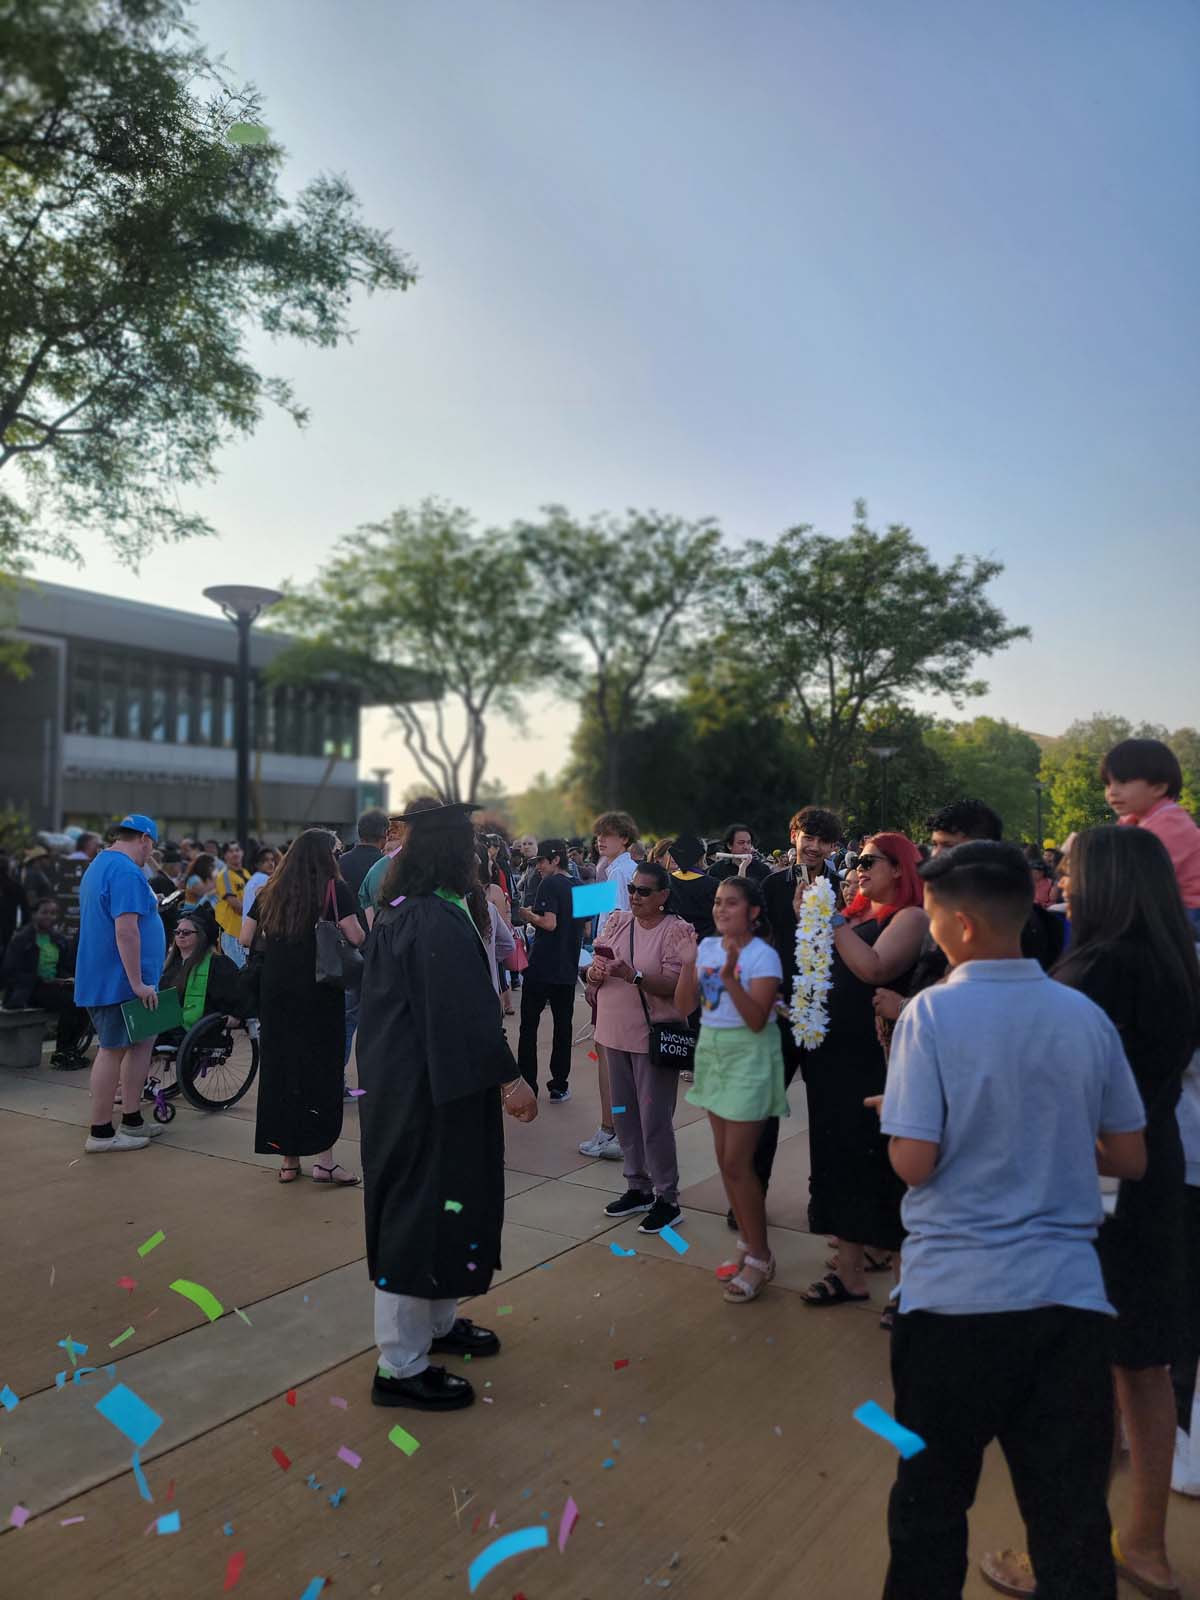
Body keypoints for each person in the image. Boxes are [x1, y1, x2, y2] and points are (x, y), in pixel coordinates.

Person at [878, 841, 1148, 1600]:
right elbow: (1127, 1155)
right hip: (1067, 1305)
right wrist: (1045, 1125)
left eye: (931, 918)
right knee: (1070, 1524)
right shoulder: (1082, 1014)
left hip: (953, 1303)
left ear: (961, 925)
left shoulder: (931, 1012)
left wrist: (900, 1122)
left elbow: (916, 1162)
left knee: (929, 1513)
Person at [981, 827, 1200, 1600]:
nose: (1059, 881)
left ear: (1104, 880)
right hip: (1153, 1165)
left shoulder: (1098, 968)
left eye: (1069, 870)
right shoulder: (1173, 961)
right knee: (1140, 1365)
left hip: (1091, 1176)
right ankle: (1144, 1543)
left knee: (1076, 1384)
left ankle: (1063, 1554)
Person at [357, 801, 538, 1412]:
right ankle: (399, 1365)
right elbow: (463, 1015)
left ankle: (437, 1325)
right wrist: (511, 1080)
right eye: (469, 850)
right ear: (448, 855)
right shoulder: (430, 918)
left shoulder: (408, 909)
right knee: (418, 1214)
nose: (477, 859)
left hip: (428, 1088)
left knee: (444, 1206)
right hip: (424, 1095)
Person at [801, 833, 927, 1314]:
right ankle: (848, 1274)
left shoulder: (909, 917)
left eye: (870, 860)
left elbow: (874, 968)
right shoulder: (857, 915)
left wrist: (831, 920)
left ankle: (904, 1289)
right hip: (835, 1053)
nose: (859, 866)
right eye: (859, 860)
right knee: (839, 1162)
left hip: (876, 1058)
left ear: (900, 868)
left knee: (882, 1168)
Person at [674, 876, 786, 1303]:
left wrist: (728, 976)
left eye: (732, 903)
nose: (721, 910)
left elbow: (757, 1020)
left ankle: (760, 1257)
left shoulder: (763, 957)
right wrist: (688, 965)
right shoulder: (706, 947)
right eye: (718, 903)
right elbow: (685, 1007)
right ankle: (748, 1246)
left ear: (753, 912)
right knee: (726, 1162)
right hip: (713, 1053)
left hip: (750, 1058)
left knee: (739, 1162)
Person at [240, 828, 365, 1185]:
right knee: (320, 1074)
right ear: (326, 856)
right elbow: (356, 936)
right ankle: (324, 1161)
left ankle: (288, 1159)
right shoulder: (332, 889)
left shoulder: (269, 892)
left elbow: (246, 937)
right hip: (318, 993)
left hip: (276, 995)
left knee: (282, 1073)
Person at [585, 861, 693, 1235]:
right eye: (632, 889)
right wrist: (595, 974)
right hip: (613, 1034)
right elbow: (597, 967)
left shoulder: (675, 931)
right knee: (625, 1117)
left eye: (644, 891)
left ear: (663, 896)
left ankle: (667, 1197)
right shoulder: (617, 922)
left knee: (654, 1121)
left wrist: (632, 975)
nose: (635, 897)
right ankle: (637, 1186)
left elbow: (675, 985)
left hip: (650, 1039)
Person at [756, 806, 843, 1218]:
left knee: (826, 1110)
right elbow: (761, 942)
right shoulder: (771, 884)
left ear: (833, 846)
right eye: (807, 836)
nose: (814, 846)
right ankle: (752, 1196)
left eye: (823, 840)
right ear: (793, 836)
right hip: (778, 1009)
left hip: (824, 1011)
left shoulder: (843, 887)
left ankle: (823, 1200)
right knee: (765, 1109)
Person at [74, 815, 168, 1153]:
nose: (150, 854)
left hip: (123, 980)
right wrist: (138, 982)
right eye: (152, 847)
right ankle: (100, 1131)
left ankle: (133, 1120)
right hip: (122, 982)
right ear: (144, 838)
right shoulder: (127, 871)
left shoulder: (102, 864)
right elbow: (126, 929)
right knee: (112, 1049)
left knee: (141, 1045)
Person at [577, 812, 641, 1158]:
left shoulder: (620, 871)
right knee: (617, 1059)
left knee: (610, 1058)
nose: (602, 840)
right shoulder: (619, 870)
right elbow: (596, 911)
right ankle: (616, 1129)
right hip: (624, 973)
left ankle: (612, 1129)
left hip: (613, 974)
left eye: (610, 836)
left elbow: (613, 926)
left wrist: (595, 973)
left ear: (625, 840)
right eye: (600, 835)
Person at [1103, 737, 1200, 930]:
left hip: (1187, 913)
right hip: (1157, 908)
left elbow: (1134, 878)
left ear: (1159, 787)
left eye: (1122, 782)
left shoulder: (1171, 824)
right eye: (1107, 783)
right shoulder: (1136, 819)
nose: (1112, 791)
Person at [515, 839, 583, 1102]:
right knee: (562, 1028)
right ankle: (559, 1085)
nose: (539, 867)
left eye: (542, 861)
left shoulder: (550, 883)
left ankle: (528, 1083)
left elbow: (550, 923)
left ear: (556, 859)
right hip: (568, 966)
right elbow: (587, 928)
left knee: (529, 1027)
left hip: (542, 965)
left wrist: (527, 914)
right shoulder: (580, 885)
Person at [1, 897, 89, 1067]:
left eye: (53, 913)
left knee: (84, 999)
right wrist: (46, 980)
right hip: (27, 989)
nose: (49, 916)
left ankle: (70, 1048)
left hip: (54, 986)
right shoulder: (22, 939)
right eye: (44, 912)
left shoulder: (57, 939)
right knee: (70, 1003)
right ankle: (62, 1051)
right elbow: (11, 972)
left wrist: (66, 979)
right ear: (34, 914)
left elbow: (64, 966)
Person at [337, 809, 387, 1081]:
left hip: (340, 951)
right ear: (385, 834)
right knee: (377, 1019)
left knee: (346, 1016)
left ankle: (338, 1077)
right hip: (379, 948)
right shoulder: (387, 865)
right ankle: (374, 1080)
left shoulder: (339, 862)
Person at [158, 906, 245, 1038]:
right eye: (178, 932)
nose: (180, 935)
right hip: (167, 1025)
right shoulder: (169, 965)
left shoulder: (217, 964)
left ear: (201, 935)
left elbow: (231, 1000)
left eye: (186, 932)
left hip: (195, 1030)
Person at [665, 832, 718, 940]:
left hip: (673, 941)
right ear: (702, 856)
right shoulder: (713, 885)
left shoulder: (666, 881)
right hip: (704, 943)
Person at [213, 841, 249, 969]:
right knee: (237, 970)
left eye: (237, 850)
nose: (235, 853)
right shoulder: (225, 875)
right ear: (225, 856)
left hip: (245, 930)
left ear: (242, 852)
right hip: (231, 931)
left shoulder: (245, 873)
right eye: (231, 851)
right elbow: (235, 905)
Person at [240, 844, 279, 923]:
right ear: (257, 864)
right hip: (256, 927)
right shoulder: (263, 879)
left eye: (272, 860)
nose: (270, 863)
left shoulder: (254, 878)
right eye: (265, 860)